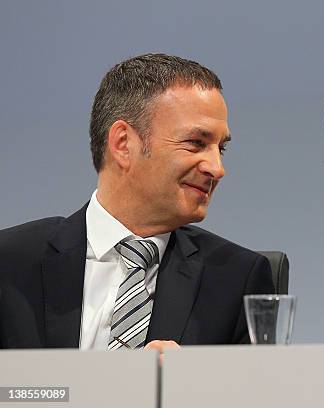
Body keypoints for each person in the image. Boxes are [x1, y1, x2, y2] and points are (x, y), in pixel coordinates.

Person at [0, 54, 274, 350]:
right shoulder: (11, 263)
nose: (217, 168)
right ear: (123, 144)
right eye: (196, 143)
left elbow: (257, 394)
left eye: (221, 148)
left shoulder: (237, 281)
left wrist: (192, 387)